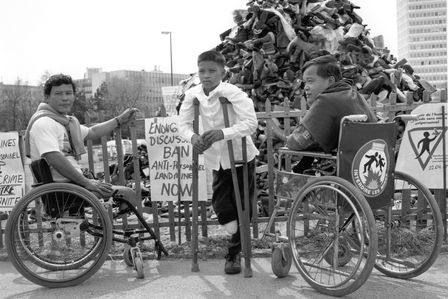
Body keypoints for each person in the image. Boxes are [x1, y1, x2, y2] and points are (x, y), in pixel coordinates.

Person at [178, 50, 258, 275]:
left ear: (223, 72)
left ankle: (234, 254)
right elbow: (182, 124)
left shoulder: (232, 92)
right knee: (222, 207)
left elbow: (251, 123)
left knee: (243, 208)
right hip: (216, 160)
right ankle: (235, 235)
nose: (206, 75)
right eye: (202, 70)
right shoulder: (192, 95)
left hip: (241, 156)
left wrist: (224, 133)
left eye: (212, 71)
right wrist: (192, 137)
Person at [25, 74, 138, 210]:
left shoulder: (65, 122)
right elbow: (53, 157)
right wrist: (87, 183)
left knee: (125, 194)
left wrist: (118, 120)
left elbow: (92, 132)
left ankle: (106, 224)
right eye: (58, 94)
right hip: (64, 189)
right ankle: (108, 225)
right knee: (128, 194)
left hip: (73, 184)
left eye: (69, 93)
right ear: (47, 97)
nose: (65, 98)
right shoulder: (43, 122)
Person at [286, 54, 376, 156]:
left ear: (330, 81)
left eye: (310, 81)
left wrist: (275, 130)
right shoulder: (354, 94)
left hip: (347, 166)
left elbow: (295, 143)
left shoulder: (325, 100)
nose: (305, 87)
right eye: (304, 82)